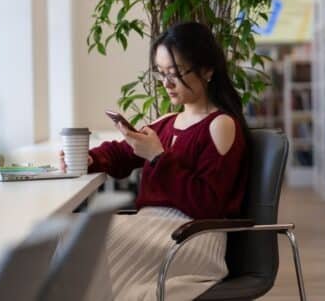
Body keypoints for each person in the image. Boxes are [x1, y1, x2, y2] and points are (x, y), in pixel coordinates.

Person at [59, 21, 250, 300]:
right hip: (153, 229)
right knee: (69, 233)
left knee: (84, 240)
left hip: (193, 236)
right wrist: (90, 158)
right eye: (161, 73)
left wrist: (159, 158)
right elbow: (123, 152)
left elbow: (209, 204)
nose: (166, 83)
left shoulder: (220, 125)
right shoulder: (168, 122)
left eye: (175, 73)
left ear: (207, 70)